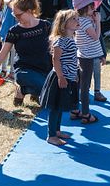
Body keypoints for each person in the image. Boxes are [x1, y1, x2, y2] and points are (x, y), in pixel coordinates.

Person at [0, 0, 52, 105]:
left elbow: (56, 49)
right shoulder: (14, 31)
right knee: (50, 94)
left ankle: (29, 91)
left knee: (56, 90)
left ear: (29, 11)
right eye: (14, 15)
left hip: (46, 69)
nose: (16, 18)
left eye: (18, 15)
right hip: (25, 70)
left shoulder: (46, 26)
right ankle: (30, 90)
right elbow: (1, 55)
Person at [39, 9, 80, 145]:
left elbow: (72, 59)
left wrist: (74, 75)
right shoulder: (60, 40)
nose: (77, 21)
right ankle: (51, 136)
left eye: (77, 19)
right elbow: (56, 60)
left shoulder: (71, 38)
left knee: (61, 105)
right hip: (60, 78)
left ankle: (57, 130)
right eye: (73, 19)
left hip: (69, 77)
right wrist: (60, 76)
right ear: (63, 24)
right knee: (55, 107)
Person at [70, 0, 104, 124]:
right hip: (87, 57)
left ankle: (74, 110)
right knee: (85, 86)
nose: (94, 9)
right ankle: (85, 113)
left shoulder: (81, 20)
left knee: (79, 84)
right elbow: (96, 36)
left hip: (83, 56)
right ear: (85, 8)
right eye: (92, 7)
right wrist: (98, 22)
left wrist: (94, 20)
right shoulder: (84, 21)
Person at [0, 0, 29, 77]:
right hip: (6, 20)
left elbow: (10, 4)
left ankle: (12, 70)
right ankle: (4, 69)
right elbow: (6, 4)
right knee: (4, 43)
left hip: (14, 20)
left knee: (13, 47)